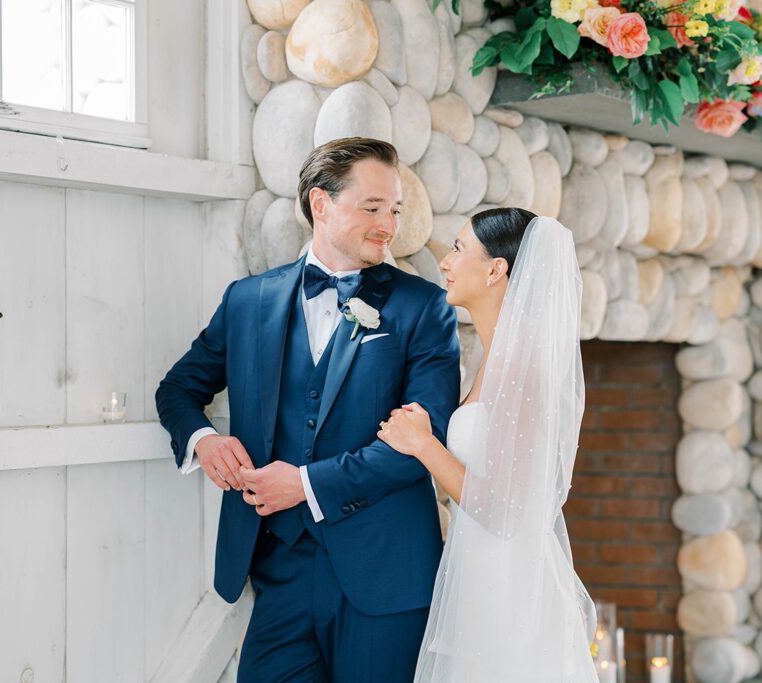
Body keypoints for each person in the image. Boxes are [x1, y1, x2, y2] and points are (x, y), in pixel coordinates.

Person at [156, 137, 460, 682]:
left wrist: (304, 485)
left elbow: (423, 445)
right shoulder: (247, 302)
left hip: (385, 576)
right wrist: (205, 440)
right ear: (320, 204)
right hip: (279, 572)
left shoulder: (423, 308)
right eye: (372, 208)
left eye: (395, 209)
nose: (388, 225)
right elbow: (177, 389)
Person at [378, 208, 600, 682]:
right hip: (483, 577)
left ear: (496, 269)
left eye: (458, 248)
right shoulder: (495, 360)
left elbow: (503, 510)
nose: (444, 260)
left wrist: (423, 445)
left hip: (508, 590)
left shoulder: (520, 370)